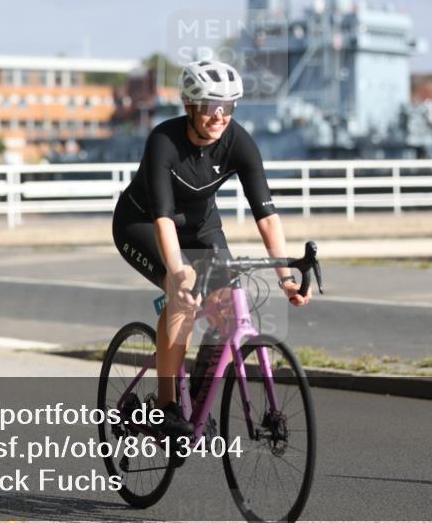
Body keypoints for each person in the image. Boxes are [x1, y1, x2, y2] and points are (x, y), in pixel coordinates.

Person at [112, 59, 312, 437]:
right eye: (210, 106)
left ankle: (196, 403)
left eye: (228, 106)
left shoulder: (238, 142)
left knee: (227, 307)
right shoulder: (163, 141)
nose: (220, 116)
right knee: (183, 291)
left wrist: (285, 277)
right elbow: (163, 220)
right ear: (190, 106)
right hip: (142, 224)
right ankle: (167, 408)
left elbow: (267, 217)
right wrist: (177, 274)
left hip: (202, 228)